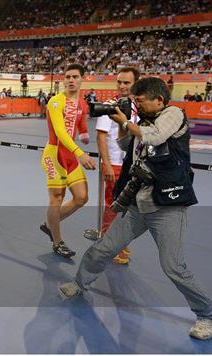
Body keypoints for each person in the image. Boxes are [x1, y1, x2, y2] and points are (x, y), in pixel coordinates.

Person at [60, 77, 212, 341]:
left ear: (158, 99)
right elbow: (127, 147)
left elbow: (155, 137)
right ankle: (79, 284)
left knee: (173, 266)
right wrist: (119, 126)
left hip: (168, 206)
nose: (138, 105)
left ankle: (207, 314)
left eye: (141, 100)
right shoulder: (142, 122)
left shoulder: (174, 114)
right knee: (104, 247)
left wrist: (126, 122)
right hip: (138, 204)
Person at [40, 64, 96, 258]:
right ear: (63, 80)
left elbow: (80, 121)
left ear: (82, 79)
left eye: (75, 77)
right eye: (68, 77)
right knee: (57, 198)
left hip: (70, 155)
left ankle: (50, 224)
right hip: (54, 154)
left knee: (81, 197)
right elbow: (60, 131)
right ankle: (57, 242)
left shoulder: (82, 103)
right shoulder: (56, 101)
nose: (71, 80)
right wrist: (80, 152)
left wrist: (84, 134)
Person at [94, 67, 140, 264]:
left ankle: (119, 243)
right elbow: (101, 136)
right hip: (114, 163)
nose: (121, 86)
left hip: (132, 164)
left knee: (127, 207)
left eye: (126, 82)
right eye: (119, 82)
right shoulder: (109, 105)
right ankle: (107, 244)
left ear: (135, 84)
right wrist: (106, 165)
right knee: (113, 205)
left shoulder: (138, 106)